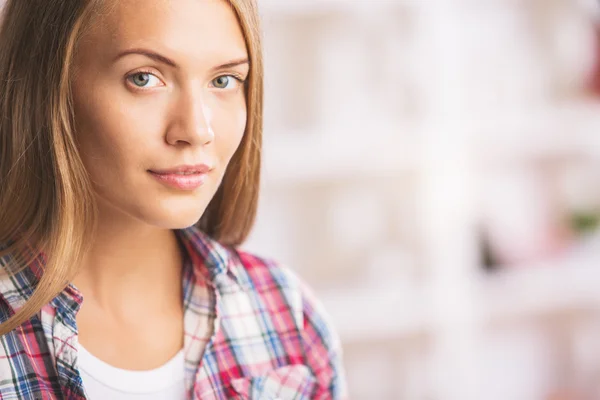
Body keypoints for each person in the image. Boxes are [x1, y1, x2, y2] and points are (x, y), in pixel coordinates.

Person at [0, 0, 347, 398]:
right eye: (144, 78)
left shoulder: (290, 316)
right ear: (46, 86)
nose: (196, 130)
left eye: (223, 81)